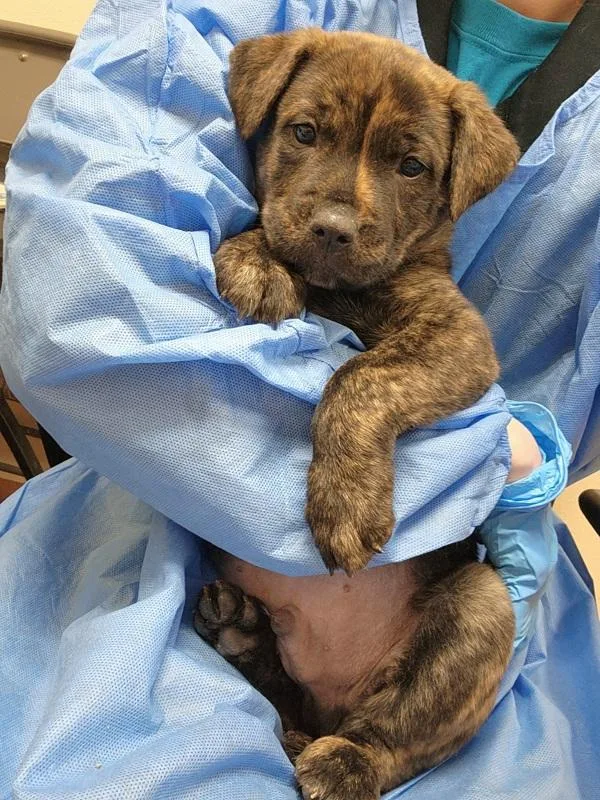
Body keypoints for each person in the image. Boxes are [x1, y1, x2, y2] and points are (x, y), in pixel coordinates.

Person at [0, 1, 598, 798]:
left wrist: (364, 410)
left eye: (408, 165)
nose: (339, 211)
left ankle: (373, 753)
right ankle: (278, 691)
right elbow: (79, 294)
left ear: (459, 182)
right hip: (187, 536)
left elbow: (462, 352)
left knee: (482, 618)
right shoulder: (282, 58)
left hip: (417, 612)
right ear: (263, 114)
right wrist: (251, 242)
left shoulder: (417, 283)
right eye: (308, 136)